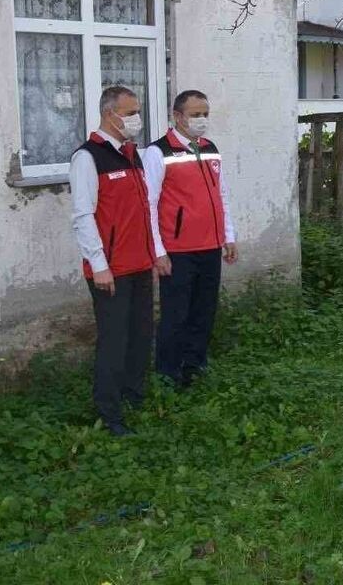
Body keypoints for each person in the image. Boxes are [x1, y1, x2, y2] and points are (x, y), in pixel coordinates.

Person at [69, 85, 156, 436]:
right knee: (114, 342)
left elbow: (142, 210)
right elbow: (83, 216)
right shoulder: (88, 157)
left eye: (137, 111)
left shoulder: (132, 154)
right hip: (110, 272)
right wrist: (99, 264)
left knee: (140, 337)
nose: (136, 118)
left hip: (139, 265)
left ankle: (134, 396)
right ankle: (109, 414)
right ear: (110, 114)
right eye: (130, 112)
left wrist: (154, 256)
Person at [144, 89, 237, 388]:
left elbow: (220, 194)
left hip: (210, 246)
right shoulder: (159, 152)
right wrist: (158, 251)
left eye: (205, 114)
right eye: (195, 115)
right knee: (176, 314)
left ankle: (195, 365)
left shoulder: (210, 148)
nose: (201, 120)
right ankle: (168, 373)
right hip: (178, 251)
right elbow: (149, 203)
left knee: (204, 310)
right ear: (177, 116)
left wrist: (228, 235)